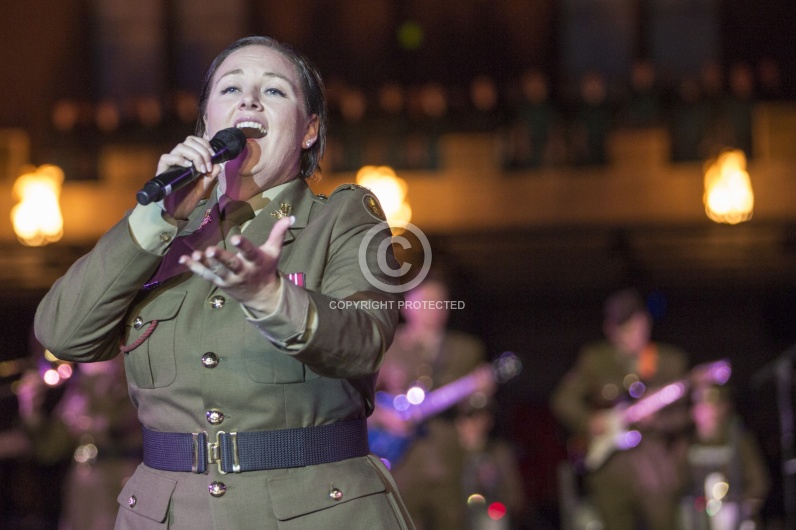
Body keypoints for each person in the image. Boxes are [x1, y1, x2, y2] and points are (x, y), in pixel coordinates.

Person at [34, 35, 414, 530]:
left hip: (314, 513)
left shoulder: (341, 219)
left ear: (308, 130)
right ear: (208, 125)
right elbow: (64, 334)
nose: (249, 100)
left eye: (275, 92)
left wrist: (271, 298)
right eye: (230, 89)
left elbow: (361, 340)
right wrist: (153, 222)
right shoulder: (161, 237)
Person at [550, 288, 691, 530]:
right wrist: (589, 421)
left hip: (656, 471)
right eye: (621, 328)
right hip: (609, 471)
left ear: (646, 323)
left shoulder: (670, 361)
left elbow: (688, 415)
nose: (629, 335)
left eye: (634, 325)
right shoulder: (595, 359)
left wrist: (656, 421)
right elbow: (563, 400)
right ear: (610, 329)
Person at [368, 276, 494, 530]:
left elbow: (476, 409)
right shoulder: (386, 347)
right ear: (406, 306)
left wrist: (481, 396)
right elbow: (358, 400)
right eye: (426, 301)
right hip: (400, 463)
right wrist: (385, 418)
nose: (434, 308)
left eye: (440, 302)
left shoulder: (466, 349)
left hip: (449, 462)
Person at [17, 354, 142, 530]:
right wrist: (31, 412)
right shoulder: (79, 387)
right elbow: (50, 449)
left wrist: (96, 374)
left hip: (120, 487)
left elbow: (111, 424)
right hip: (83, 495)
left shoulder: (128, 376)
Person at [679, 384, 770, 530]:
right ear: (693, 411)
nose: (708, 411)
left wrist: (741, 505)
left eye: (714, 406)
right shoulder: (686, 444)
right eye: (702, 406)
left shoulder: (739, 441)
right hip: (699, 518)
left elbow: (759, 483)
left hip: (734, 516)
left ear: (724, 408)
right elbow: (677, 487)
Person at [454, 400, 526, 530]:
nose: (472, 423)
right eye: (467, 417)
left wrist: (497, 507)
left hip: (490, 517)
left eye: (480, 417)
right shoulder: (449, 454)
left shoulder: (498, 451)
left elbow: (515, 497)